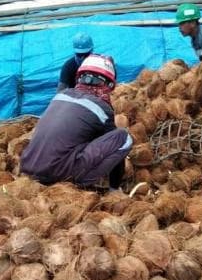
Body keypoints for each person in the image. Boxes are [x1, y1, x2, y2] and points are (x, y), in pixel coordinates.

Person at [20, 54, 132, 191]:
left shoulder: (61, 96)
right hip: (56, 174)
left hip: (27, 166)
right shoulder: (101, 108)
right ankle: (111, 189)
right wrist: (115, 183)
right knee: (123, 137)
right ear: (108, 84)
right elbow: (112, 145)